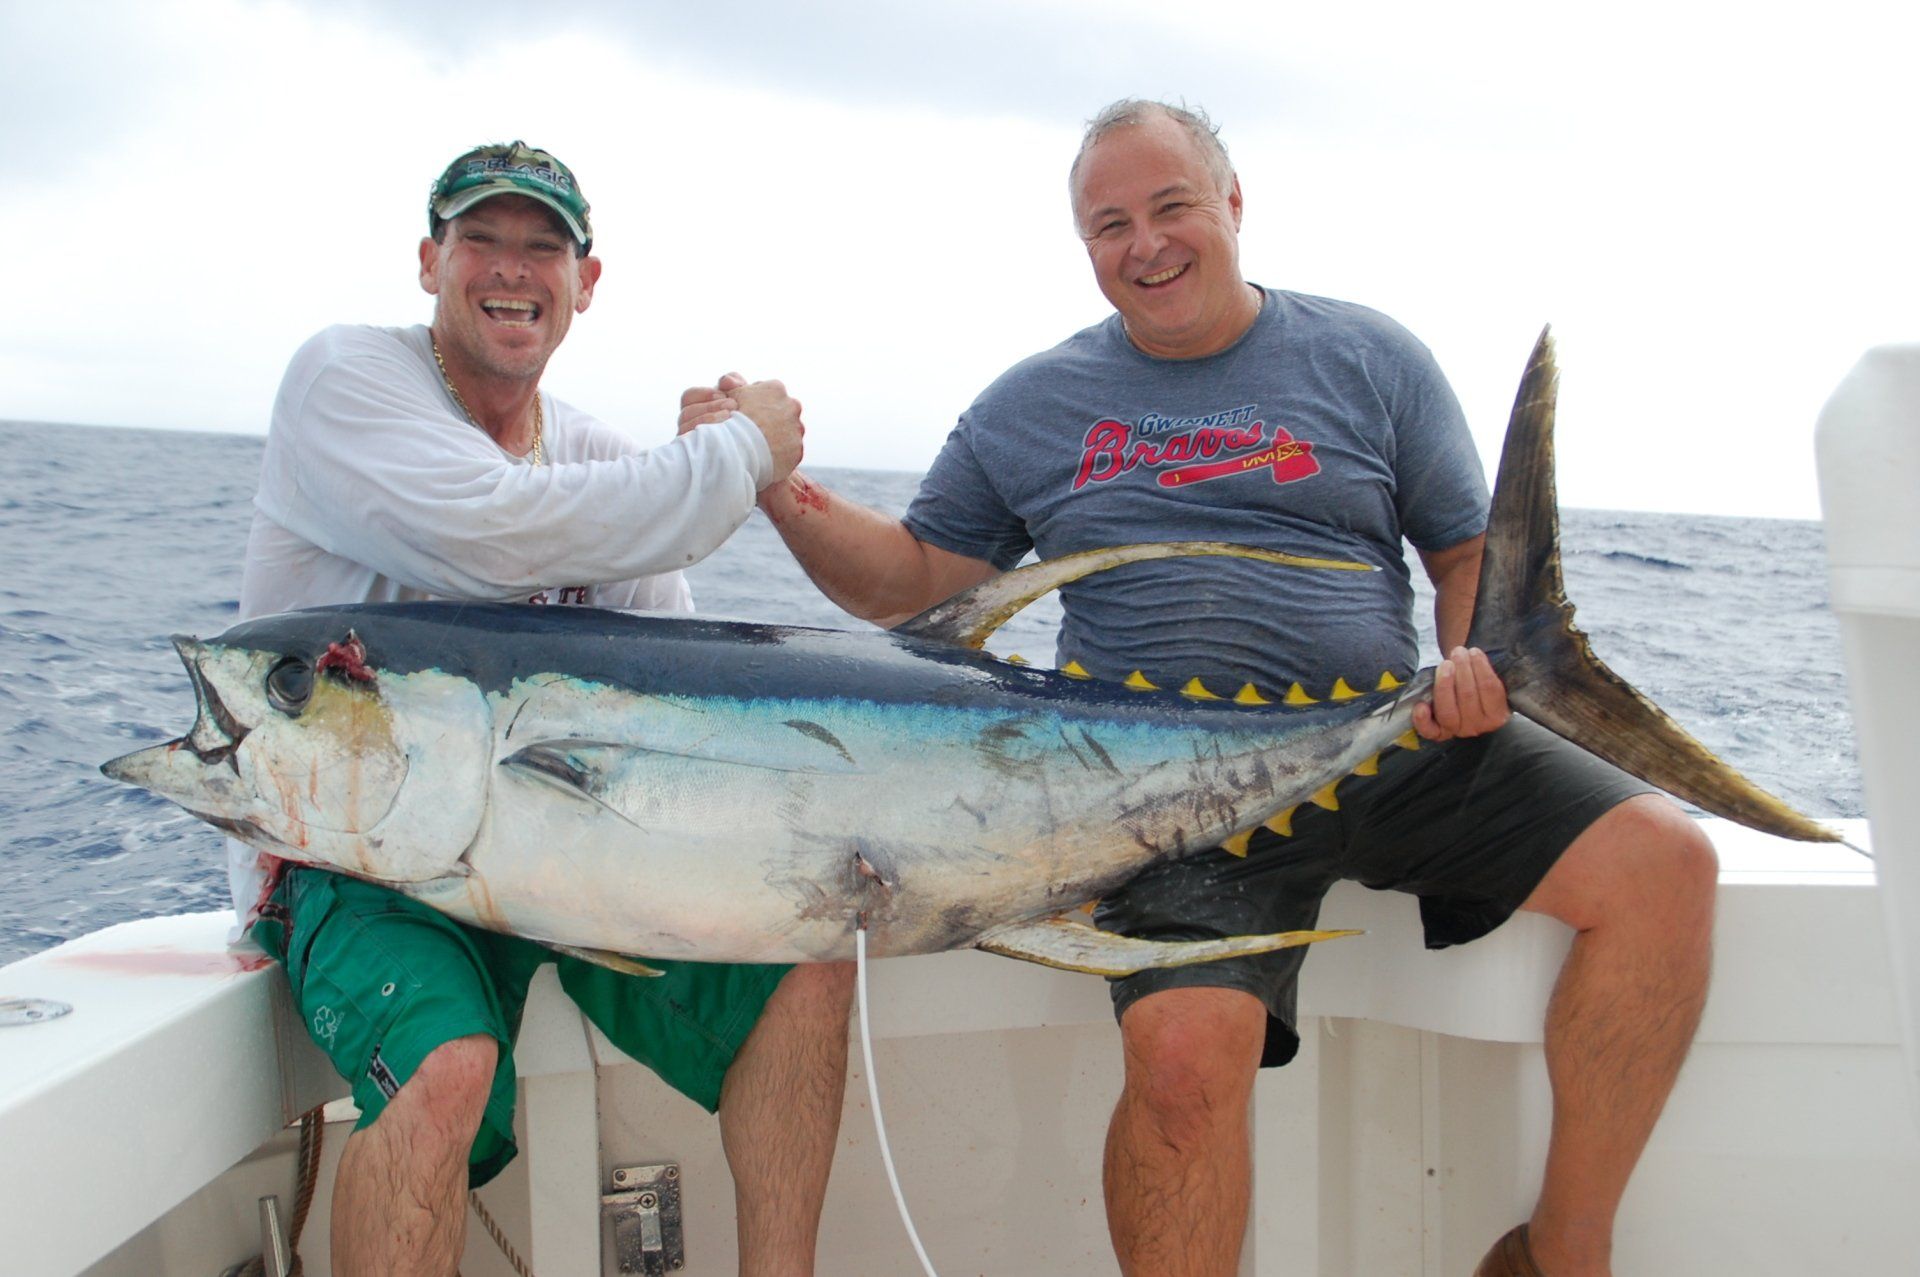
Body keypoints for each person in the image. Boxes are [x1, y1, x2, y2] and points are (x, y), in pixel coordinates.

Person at [681, 102, 1716, 1277]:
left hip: (1395, 743)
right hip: (1156, 803)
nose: (1146, 242)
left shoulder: (1370, 358)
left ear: (1233, 205)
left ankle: (1560, 1246)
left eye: (1171, 206)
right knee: (1180, 1057)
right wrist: (779, 489)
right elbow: (913, 582)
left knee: (1665, 864)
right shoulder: (1032, 404)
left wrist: (1475, 663)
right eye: (1108, 223)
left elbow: (1464, 551)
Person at [237, 141, 853, 1277]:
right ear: (430, 261)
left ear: (586, 280)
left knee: (805, 957)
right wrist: (733, 454)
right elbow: (497, 530)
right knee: (448, 1068)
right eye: (481, 239)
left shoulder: (598, 463)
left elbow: (668, 690)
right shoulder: (344, 380)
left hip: (561, 857)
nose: (510, 267)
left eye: (543, 247)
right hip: (363, 861)